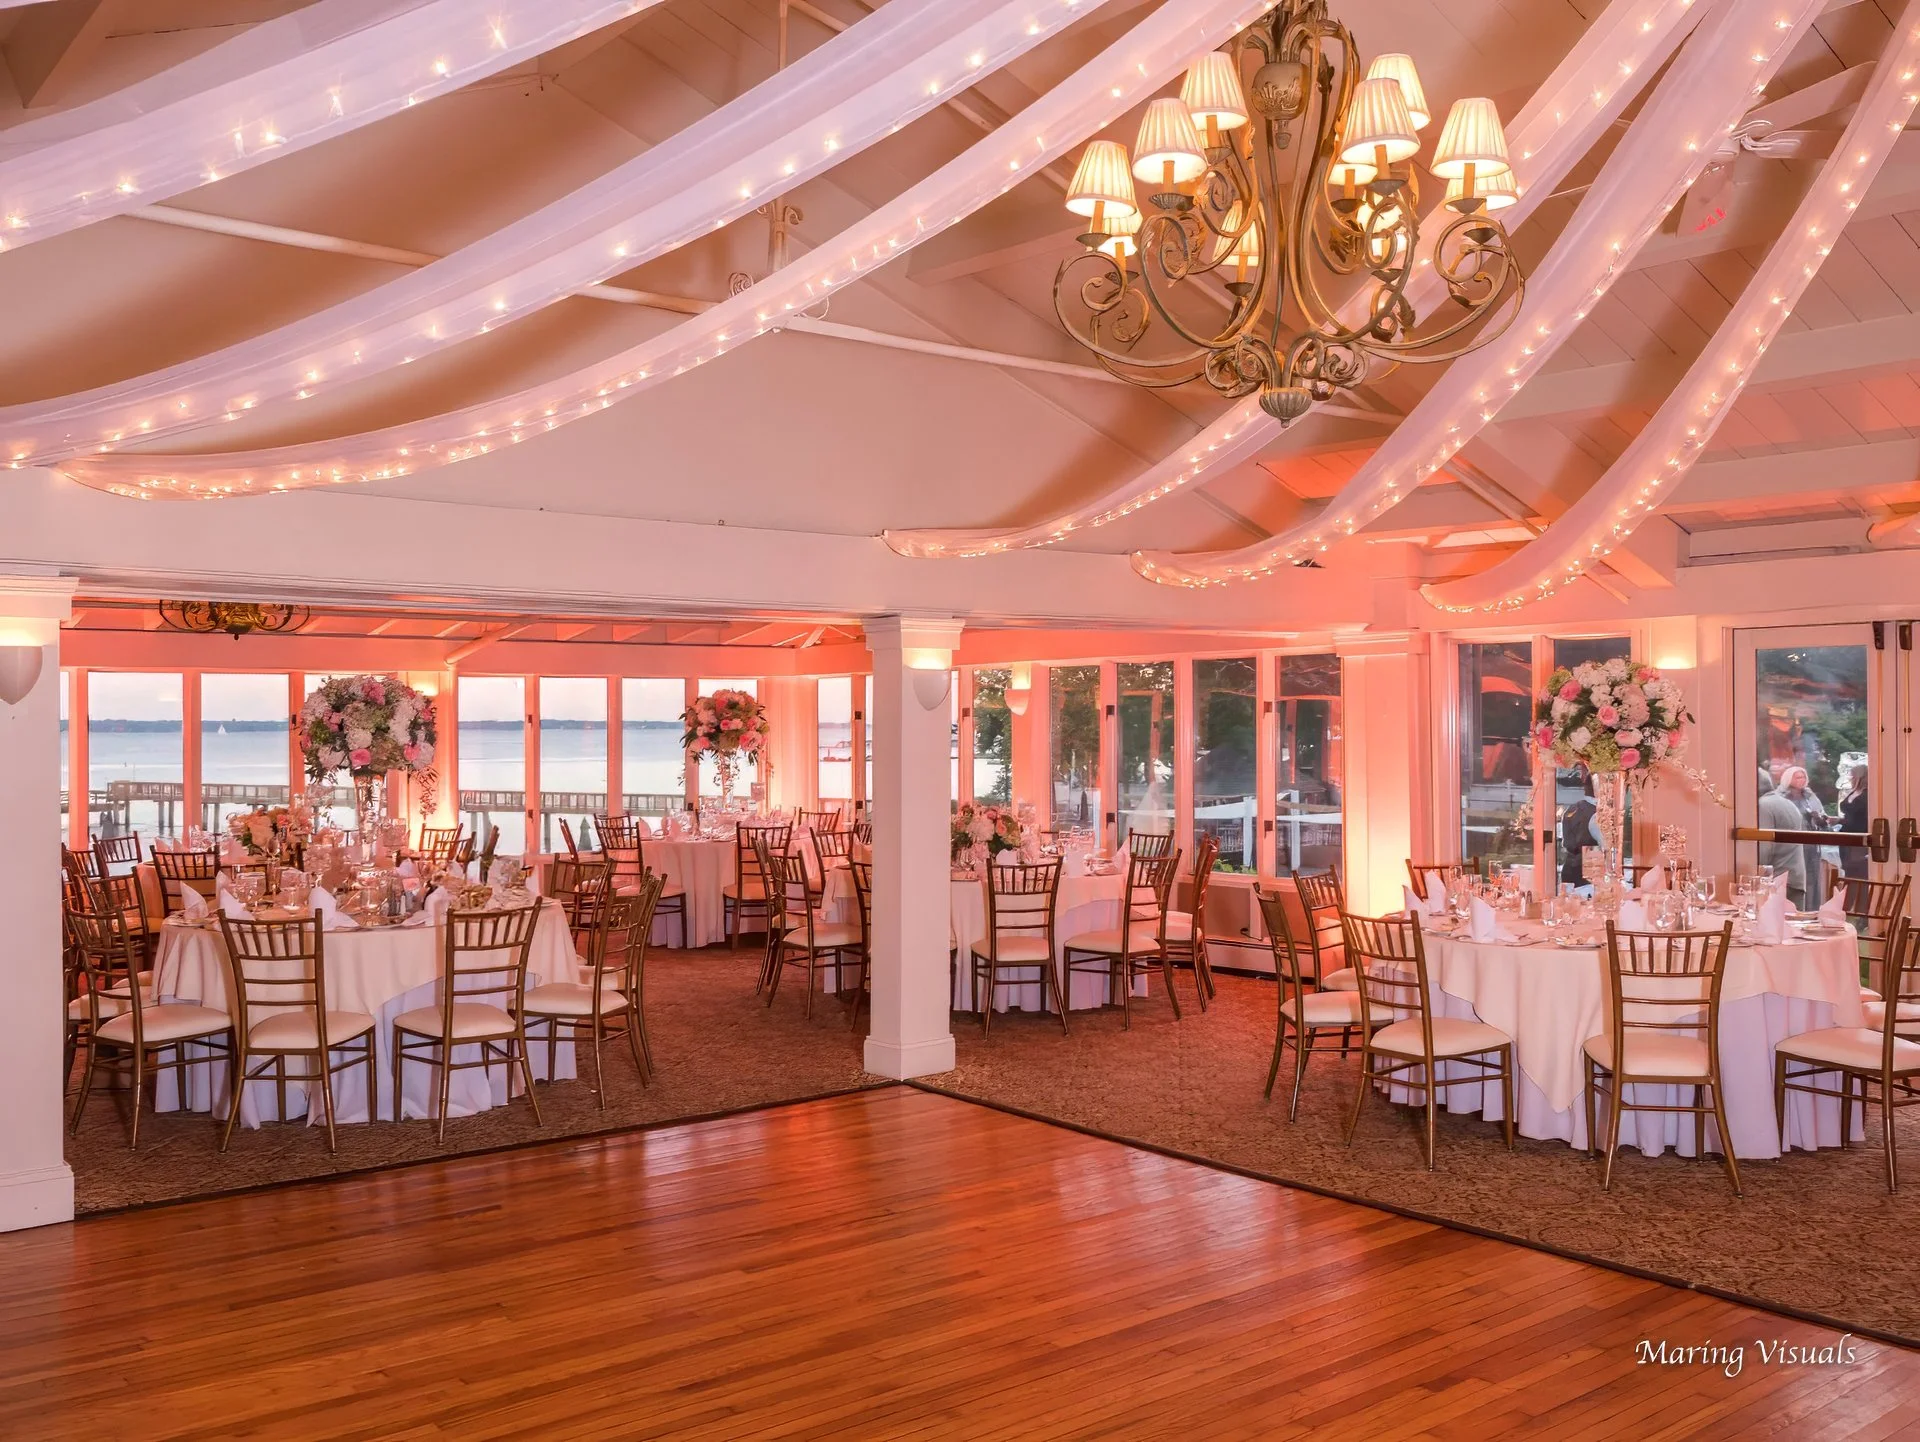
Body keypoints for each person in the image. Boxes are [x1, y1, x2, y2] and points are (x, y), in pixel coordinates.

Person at [1777, 765, 1830, 906]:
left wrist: (1819, 818)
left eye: (1803, 777)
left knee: (1812, 878)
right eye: (1797, 777)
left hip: (1811, 844)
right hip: (1791, 844)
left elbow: (1823, 817)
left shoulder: (1810, 795)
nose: (1801, 780)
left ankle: (1812, 910)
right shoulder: (1780, 797)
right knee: (1793, 878)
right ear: (1788, 779)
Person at [1758, 783, 1809, 910]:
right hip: (1796, 876)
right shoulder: (1787, 803)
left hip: (1778, 880)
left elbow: (1764, 848)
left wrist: (1753, 874)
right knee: (1794, 926)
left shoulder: (1763, 805)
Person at [1559, 772, 1599, 888]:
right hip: (1590, 872)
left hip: (1568, 869)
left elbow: (1567, 842)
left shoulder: (1571, 809)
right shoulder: (1598, 814)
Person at [1839, 763, 1870, 882]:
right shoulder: (1854, 792)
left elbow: (1861, 817)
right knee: (1848, 870)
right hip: (1846, 839)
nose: (1850, 778)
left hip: (1858, 839)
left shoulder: (1868, 794)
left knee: (1857, 871)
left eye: (1852, 776)